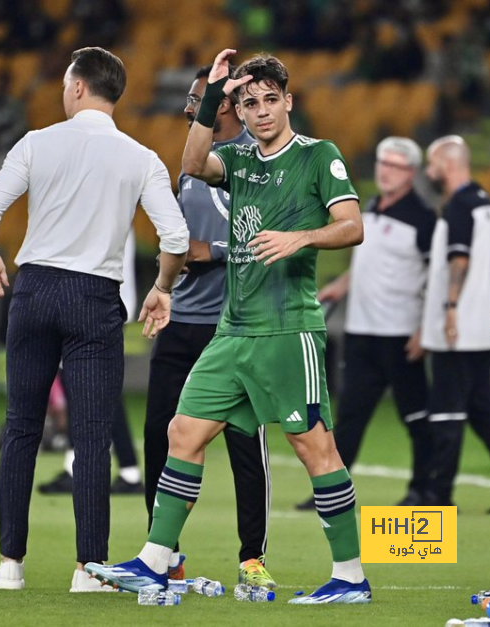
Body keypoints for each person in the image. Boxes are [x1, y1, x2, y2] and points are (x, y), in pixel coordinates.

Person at [87, 48, 372, 605]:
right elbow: (192, 164)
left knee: (316, 450)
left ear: (288, 102)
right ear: (237, 112)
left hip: (289, 332)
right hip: (233, 331)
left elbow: (352, 225)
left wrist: (300, 238)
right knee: (182, 433)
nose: (262, 111)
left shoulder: (319, 156)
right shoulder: (237, 163)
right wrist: (213, 93)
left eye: (271, 100)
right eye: (250, 103)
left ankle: (351, 576)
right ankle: (153, 560)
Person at [0, 46, 189, 592]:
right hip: (95, 296)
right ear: (113, 93)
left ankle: (9, 566)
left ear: (75, 88)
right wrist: (162, 288)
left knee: (22, 426)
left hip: (37, 289)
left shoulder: (36, 143)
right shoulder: (141, 157)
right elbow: (177, 239)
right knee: (92, 437)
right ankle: (87, 570)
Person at [143, 64, 274, 588]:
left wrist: (211, 250)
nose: (186, 107)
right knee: (160, 434)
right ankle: (163, 553)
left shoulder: (257, 161)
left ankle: (252, 558)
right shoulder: (191, 165)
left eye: (197, 98)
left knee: (246, 444)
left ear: (223, 102)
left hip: (237, 325)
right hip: (184, 320)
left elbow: (274, 236)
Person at [295, 137, 436, 511]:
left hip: (401, 334)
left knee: (416, 417)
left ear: (411, 173)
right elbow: (366, 267)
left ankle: (424, 490)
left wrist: (426, 328)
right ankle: (331, 492)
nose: (384, 171)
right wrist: (338, 288)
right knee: (349, 418)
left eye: (394, 165)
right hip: (361, 331)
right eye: (382, 162)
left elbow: (435, 278)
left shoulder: (423, 219)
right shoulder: (368, 207)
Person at [421, 134, 490, 513]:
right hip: (487, 323)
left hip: (460, 327)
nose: (428, 172)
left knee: (447, 411)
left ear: (447, 164)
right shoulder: (487, 204)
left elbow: (458, 261)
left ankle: (438, 497)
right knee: (484, 413)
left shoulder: (459, 205)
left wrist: (449, 310)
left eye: (431, 164)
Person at [39, 231, 144, 495]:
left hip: (92, 301)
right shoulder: (116, 202)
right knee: (98, 388)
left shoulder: (99, 205)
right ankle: (126, 470)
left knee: (85, 384)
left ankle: (92, 470)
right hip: (103, 301)